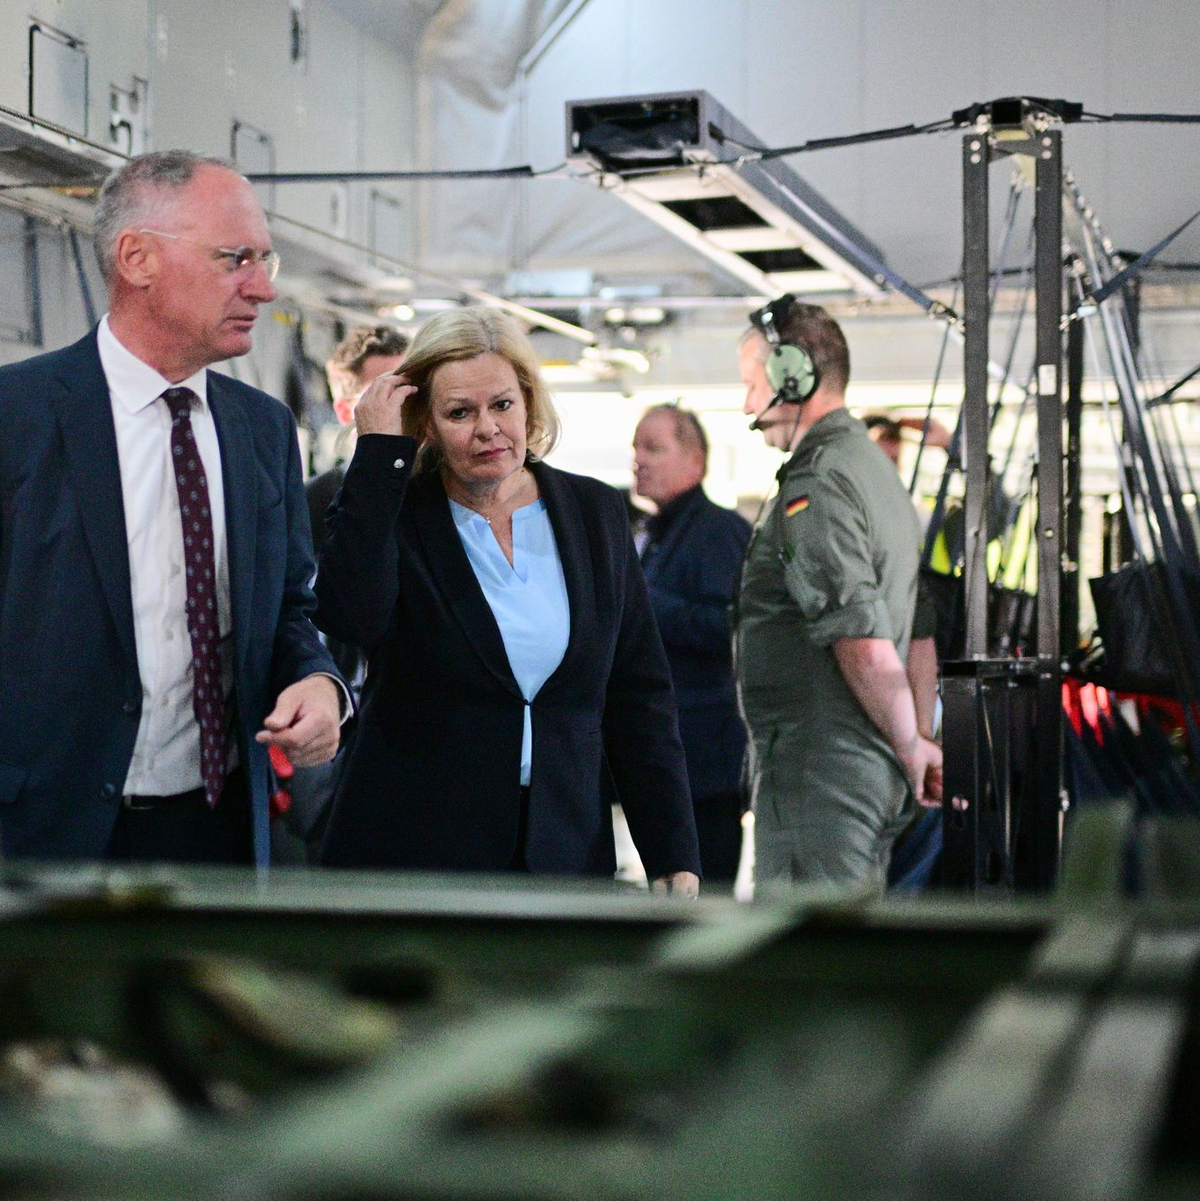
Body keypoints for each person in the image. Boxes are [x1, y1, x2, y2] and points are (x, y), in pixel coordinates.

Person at [0, 150, 346, 865]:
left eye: (266, 262)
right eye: (234, 258)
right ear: (137, 258)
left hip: (215, 830)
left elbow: (288, 609)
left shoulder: (262, 429)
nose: (260, 287)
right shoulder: (18, 416)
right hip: (41, 834)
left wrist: (318, 682)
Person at [314, 307, 701, 892]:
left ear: (528, 403)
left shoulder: (594, 513)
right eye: (459, 412)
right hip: (415, 856)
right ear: (427, 424)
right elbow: (351, 616)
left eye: (502, 405)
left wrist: (671, 850)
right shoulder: (396, 513)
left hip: (565, 852)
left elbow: (637, 695)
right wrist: (377, 456)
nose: (488, 428)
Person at [735, 295, 941, 889]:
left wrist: (911, 747)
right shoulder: (874, 472)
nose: (750, 403)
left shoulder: (820, 480)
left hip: (821, 773)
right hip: (862, 770)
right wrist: (917, 741)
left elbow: (863, 640)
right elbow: (920, 629)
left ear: (792, 377)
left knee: (806, 963)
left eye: (754, 384)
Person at [632, 404, 751, 883]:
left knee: (706, 906)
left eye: (653, 448)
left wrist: (642, 604)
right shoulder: (656, 534)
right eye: (636, 448)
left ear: (696, 462)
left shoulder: (718, 532)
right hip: (673, 762)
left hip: (705, 764)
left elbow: (729, 630)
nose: (638, 460)